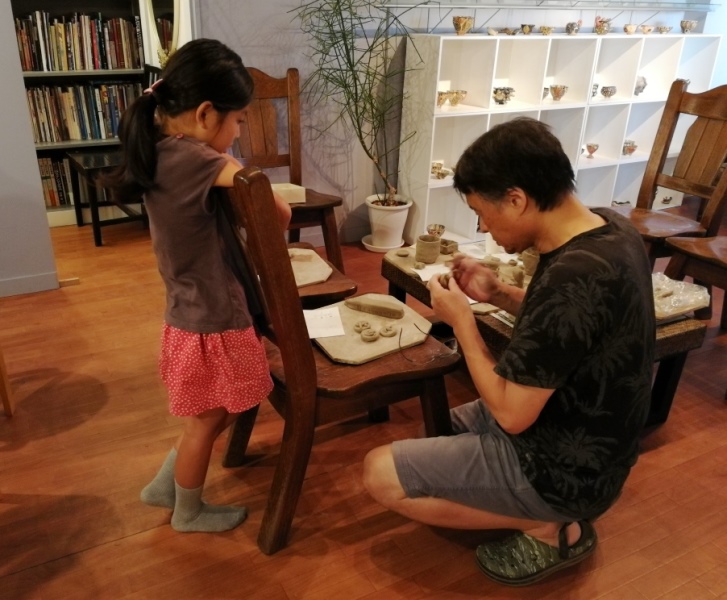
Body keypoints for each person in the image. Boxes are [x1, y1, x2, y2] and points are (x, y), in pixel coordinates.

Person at [363, 117, 655, 585]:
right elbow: (566, 325)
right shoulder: (611, 229)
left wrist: (462, 322)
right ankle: (538, 509)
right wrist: (498, 293)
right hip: (586, 438)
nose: (482, 225)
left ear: (516, 199)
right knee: (435, 426)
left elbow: (512, 416)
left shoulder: (571, 276)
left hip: (569, 470)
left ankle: (547, 526)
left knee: (380, 473)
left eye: (482, 212)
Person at [105, 39, 291, 533]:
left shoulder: (162, 147)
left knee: (218, 408)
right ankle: (188, 512)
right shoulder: (198, 159)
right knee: (207, 419)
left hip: (189, 309)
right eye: (239, 121)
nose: (238, 133)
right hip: (213, 313)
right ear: (207, 114)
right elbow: (276, 210)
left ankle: (166, 486)